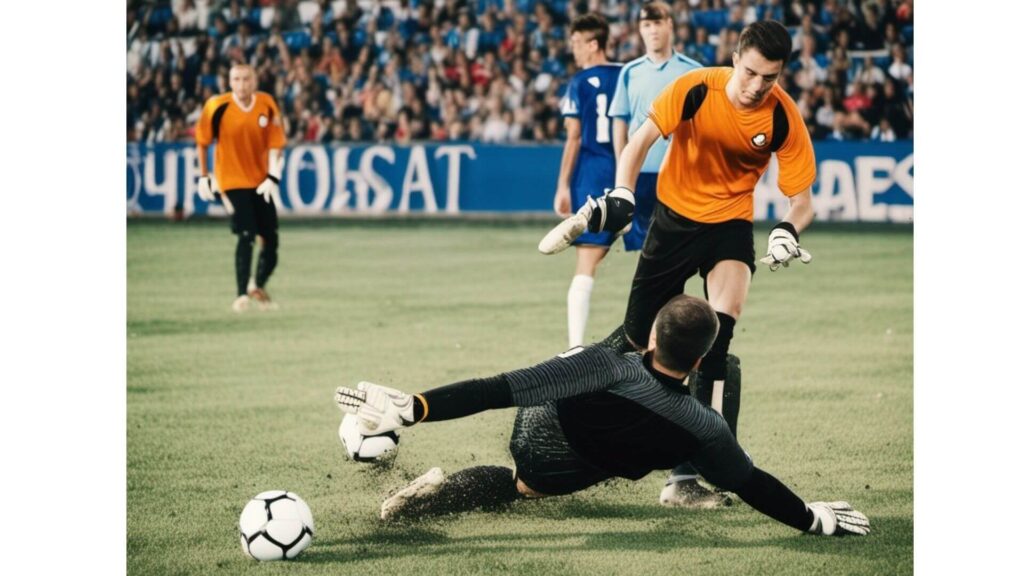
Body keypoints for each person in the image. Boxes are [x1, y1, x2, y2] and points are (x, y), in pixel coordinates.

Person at [538, 20, 816, 507]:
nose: (756, 87)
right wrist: (624, 193)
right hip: (673, 220)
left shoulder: (783, 117)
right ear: (736, 59)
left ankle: (686, 480)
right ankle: (569, 414)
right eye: (750, 73)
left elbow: (803, 201)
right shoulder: (694, 89)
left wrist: (785, 230)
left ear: (780, 75)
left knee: (718, 335)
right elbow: (640, 142)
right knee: (632, 342)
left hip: (730, 224)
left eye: (768, 78)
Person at [334, 294, 869, 538]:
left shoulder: (610, 368)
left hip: (543, 421)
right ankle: (437, 497)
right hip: (567, 474)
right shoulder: (705, 427)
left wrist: (417, 407)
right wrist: (811, 518)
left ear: (656, 337)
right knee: (522, 487)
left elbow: (497, 390)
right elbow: (751, 483)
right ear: (702, 362)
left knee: (593, 356)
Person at [551, 13, 622, 348]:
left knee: (586, 261)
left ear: (594, 44)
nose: (573, 50)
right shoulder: (627, 76)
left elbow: (574, 137)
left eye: (577, 43)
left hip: (591, 175)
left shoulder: (578, 83)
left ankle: (574, 347)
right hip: (627, 173)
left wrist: (563, 185)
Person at [195, 63, 286, 312]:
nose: (242, 84)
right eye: (237, 79)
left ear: (254, 80)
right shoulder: (217, 106)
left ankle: (257, 285)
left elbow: (276, 143)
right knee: (246, 234)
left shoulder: (266, 104)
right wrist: (204, 176)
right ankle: (240, 295)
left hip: (259, 182)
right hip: (231, 180)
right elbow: (202, 141)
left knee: (271, 239)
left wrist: (273, 176)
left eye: (247, 79)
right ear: (230, 82)